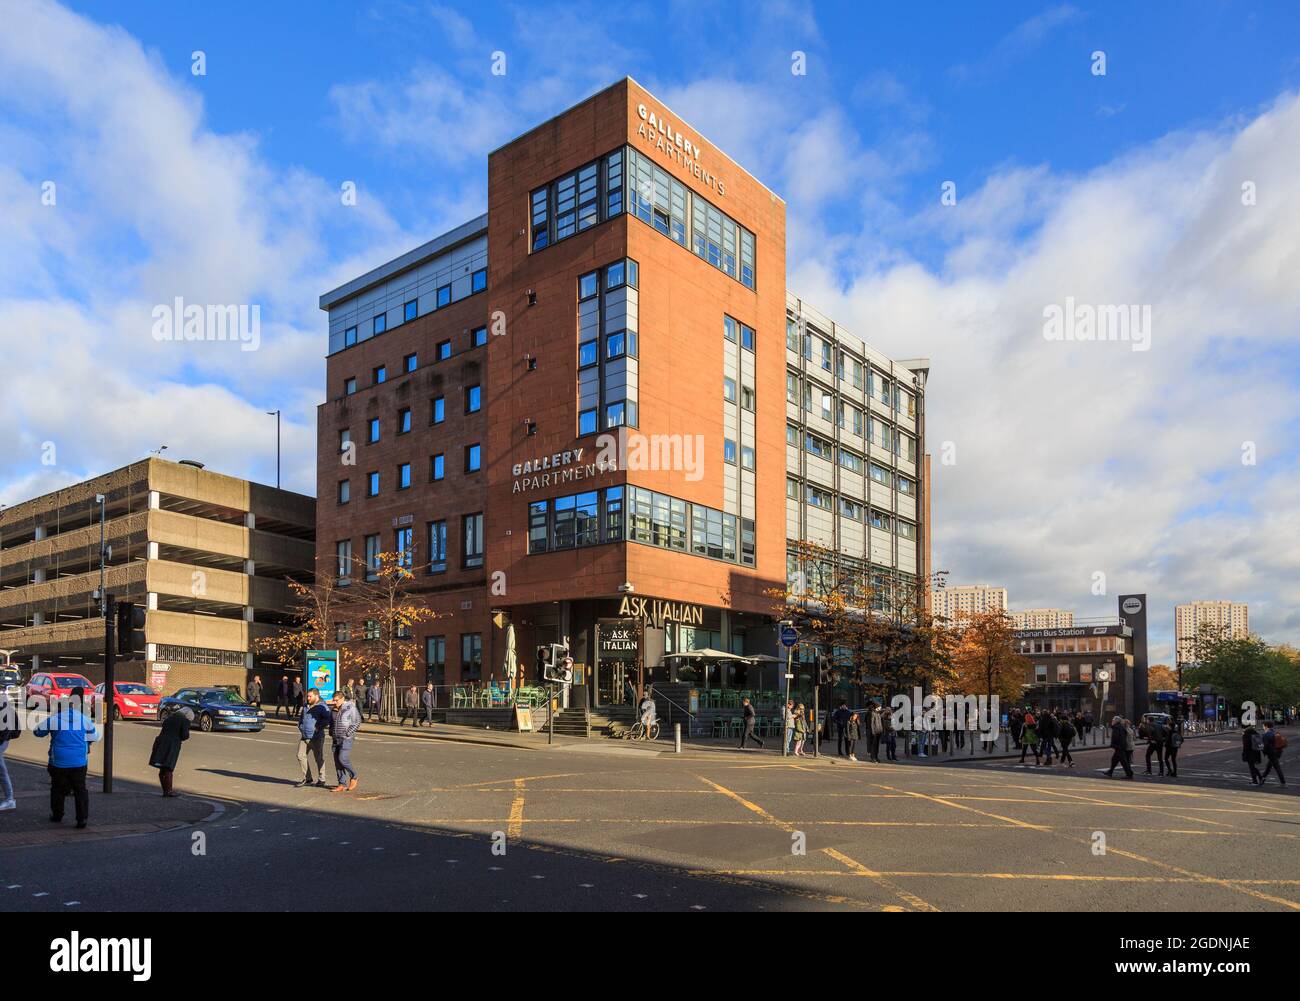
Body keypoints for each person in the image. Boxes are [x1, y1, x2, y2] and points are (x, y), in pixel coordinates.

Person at [32, 687, 98, 828]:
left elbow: (37, 732)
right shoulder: (83, 719)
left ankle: (57, 815)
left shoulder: (54, 719)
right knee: (80, 789)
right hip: (79, 761)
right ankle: (82, 819)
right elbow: (94, 736)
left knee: (57, 788)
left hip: (58, 761)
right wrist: (85, 743)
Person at [149, 707, 192, 796]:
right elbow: (185, 735)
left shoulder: (169, 718)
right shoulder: (184, 720)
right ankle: (169, 791)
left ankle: (165, 790)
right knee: (169, 767)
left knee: (162, 768)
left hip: (160, 743)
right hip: (172, 745)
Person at [297, 688, 332, 787]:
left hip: (316, 737)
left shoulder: (322, 707)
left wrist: (318, 727)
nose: (308, 698)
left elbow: (327, 719)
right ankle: (307, 778)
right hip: (304, 736)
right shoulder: (306, 705)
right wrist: (300, 726)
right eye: (307, 696)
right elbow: (301, 718)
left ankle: (322, 779)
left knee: (318, 758)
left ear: (316, 696)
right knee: (300, 756)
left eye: (310, 696)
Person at [329, 690, 362, 792]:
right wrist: (331, 732)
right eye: (334, 700)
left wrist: (348, 733)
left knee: (342, 758)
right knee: (337, 762)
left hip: (346, 739)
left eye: (336, 700)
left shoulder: (350, 707)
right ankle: (341, 784)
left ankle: (354, 776)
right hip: (335, 739)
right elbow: (332, 723)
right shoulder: (333, 710)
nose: (335, 702)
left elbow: (357, 722)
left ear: (342, 699)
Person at [0, 691, 20, 811]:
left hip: (2, 740)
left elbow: (5, 729)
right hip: (3, 739)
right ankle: (9, 799)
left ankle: (10, 799)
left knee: (1, 770)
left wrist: (1, 739)